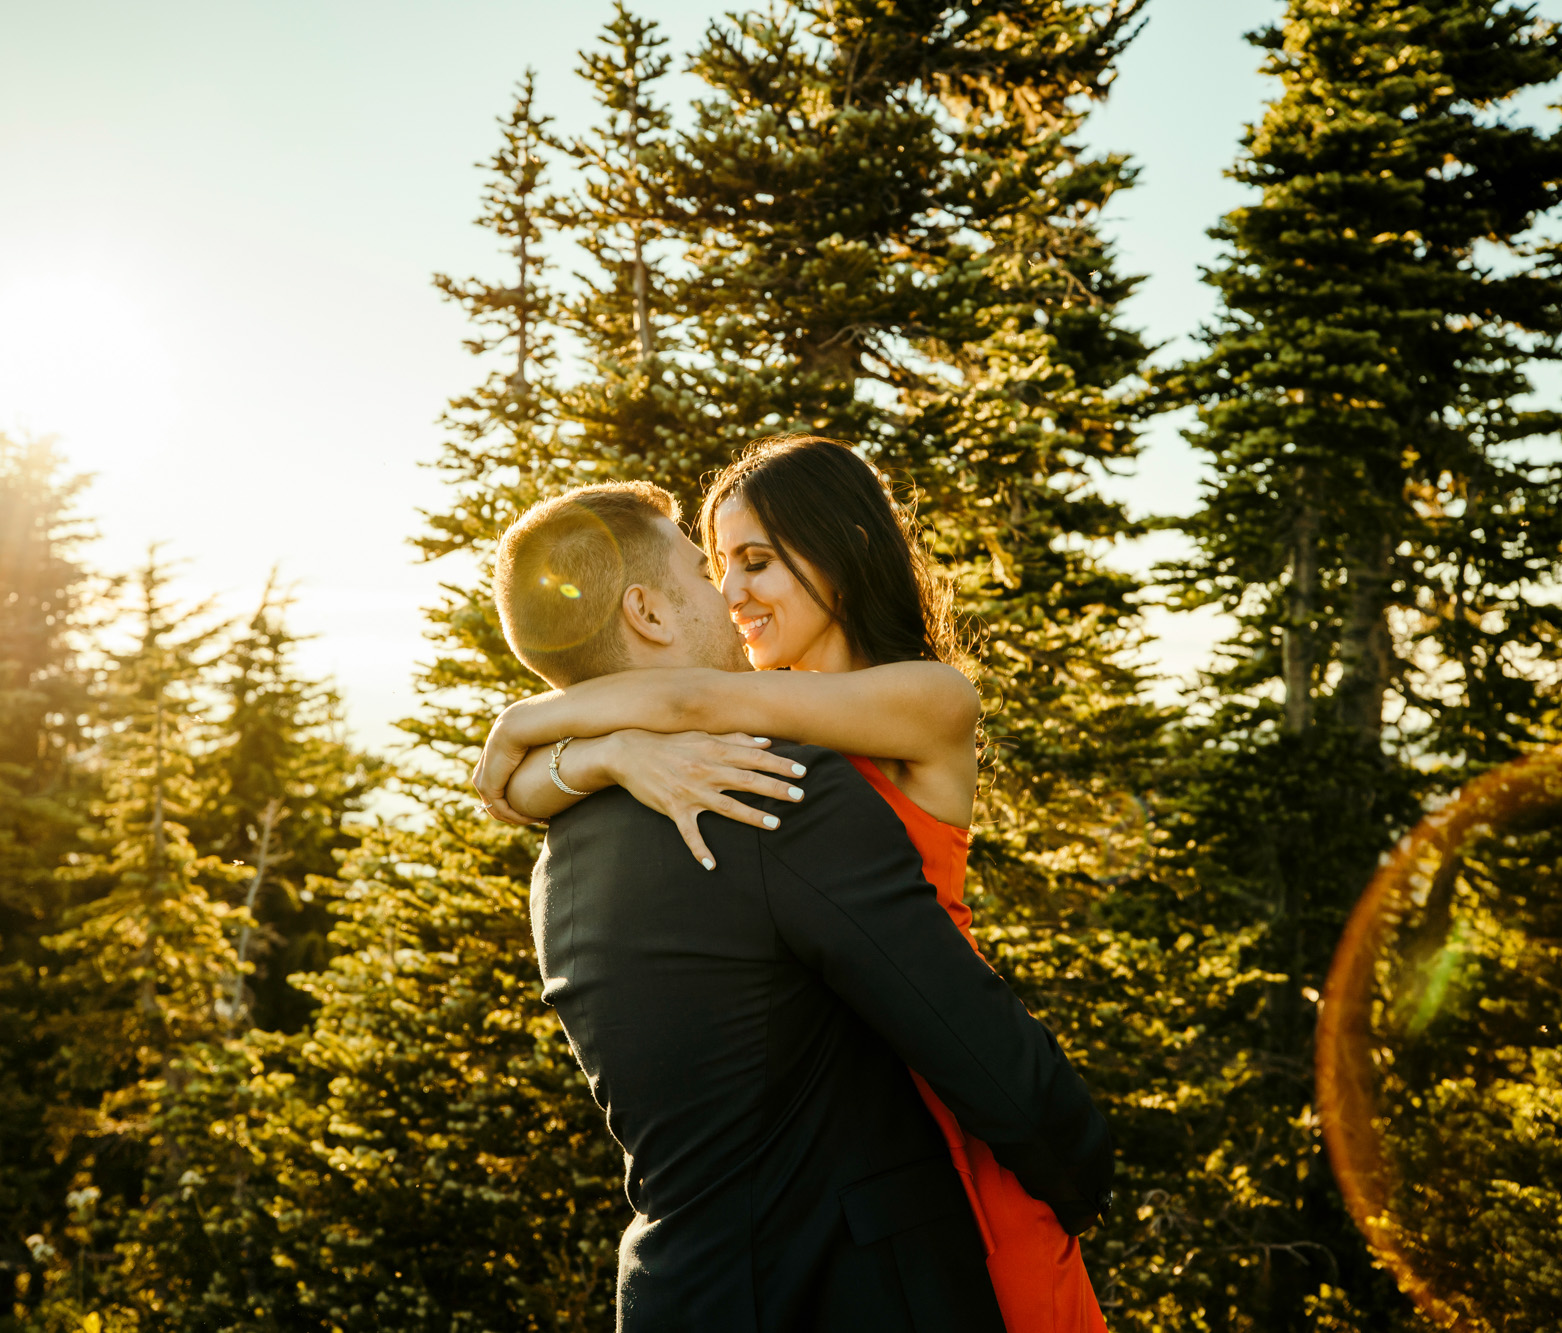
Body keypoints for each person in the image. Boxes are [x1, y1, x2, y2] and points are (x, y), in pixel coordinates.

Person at [477, 439, 1113, 1333]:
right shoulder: (748, 749)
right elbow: (634, 735)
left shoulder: (918, 699)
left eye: (756, 560)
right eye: (716, 565)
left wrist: (535, 724)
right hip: (896, 1116)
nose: (731, 592)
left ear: (844, 550)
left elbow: (685, 705)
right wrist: (604, 752)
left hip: (955, 1103)